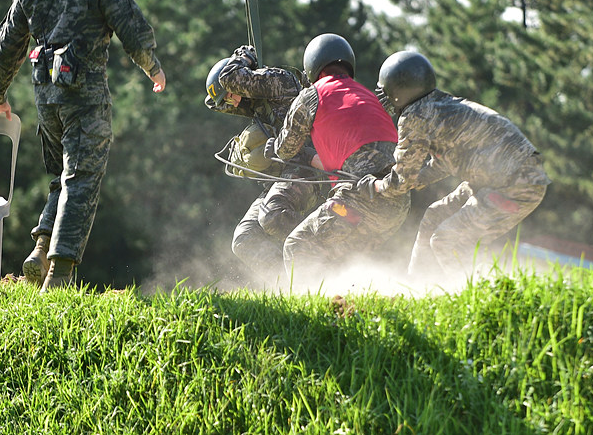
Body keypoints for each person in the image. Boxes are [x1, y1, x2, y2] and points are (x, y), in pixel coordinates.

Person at [0, 0, 166, 292]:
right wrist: (153, 68)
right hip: (86, 97)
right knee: (82, 179)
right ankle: (59, 274)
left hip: (46, 97)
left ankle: (42, 246)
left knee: (61, 178)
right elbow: (133, 28)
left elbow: (5, 47)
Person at [364, 50, 550, 280]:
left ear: (397, 89)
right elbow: (448, 162)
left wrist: (377, 187)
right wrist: (417, 179)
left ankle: (479, 298)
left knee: (448, 239)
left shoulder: (415, 116)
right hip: (512, 178)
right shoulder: (440, 106)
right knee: (434, 216)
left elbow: (401, 180)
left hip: (515, 185)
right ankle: (414, 287)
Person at [264, 33, 411, 285]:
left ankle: (309, 318)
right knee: (344, 263)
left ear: (312, 67)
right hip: (396, 204)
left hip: (356, 200)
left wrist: (274, 147)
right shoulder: (369, 97)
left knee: (298, 246)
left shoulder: (313, 95)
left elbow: (286, 149)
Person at [205, 44, 324, 284]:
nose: (233, 102)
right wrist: (231, 83)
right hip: (280, 178)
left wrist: (243, 58)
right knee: (245, 239)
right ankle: (292, 287)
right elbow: (213, 101)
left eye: (231, 94)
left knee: (273, 215)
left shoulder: (280, 83)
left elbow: (231, 78)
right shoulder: (252, 102)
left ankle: (327, 260)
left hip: (307, 171)